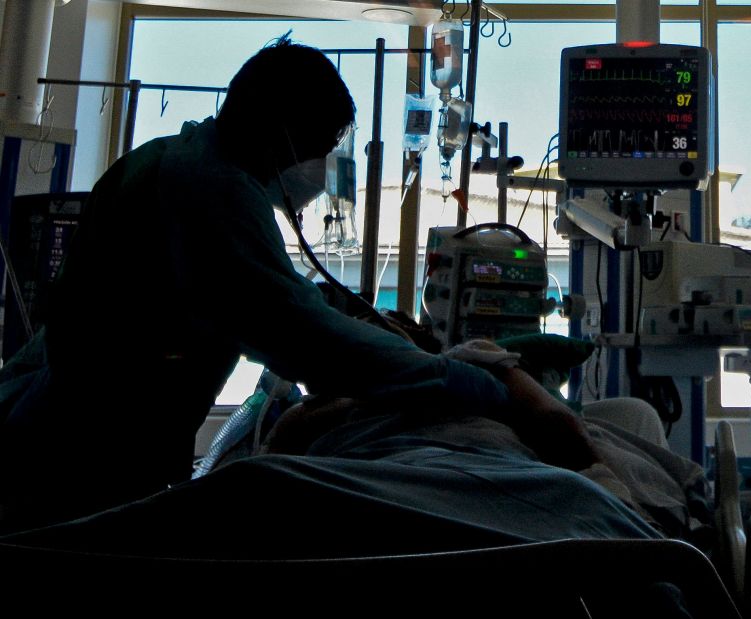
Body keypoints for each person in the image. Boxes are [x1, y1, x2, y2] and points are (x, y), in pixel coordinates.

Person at [0, 36, 597, 533]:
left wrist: (360, 319)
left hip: (80, 435)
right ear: (282, 132)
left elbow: (281, 294)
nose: (312, 166)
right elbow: (310, 340)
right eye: (314, 148)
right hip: (76, 461)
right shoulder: (208, 191)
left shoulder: (175, 162)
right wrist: (476, 381)